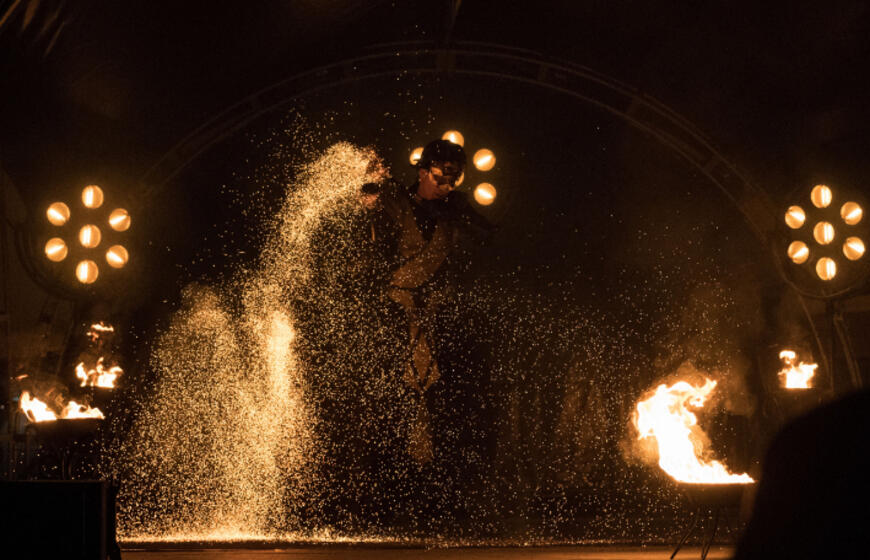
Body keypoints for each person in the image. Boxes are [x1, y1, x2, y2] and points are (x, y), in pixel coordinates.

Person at [361, 139, 494, 465]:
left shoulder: (454, 209)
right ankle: (388, 465)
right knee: (391, 389)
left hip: (437, 313)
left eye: (454, 177)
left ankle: (442, 468)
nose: (447, 184)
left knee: (446, 391)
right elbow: (372, 226)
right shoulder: (396, 202)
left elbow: (489, 235)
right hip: (394, 309)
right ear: (423, 172)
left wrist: (465, 218)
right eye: (441, 175)